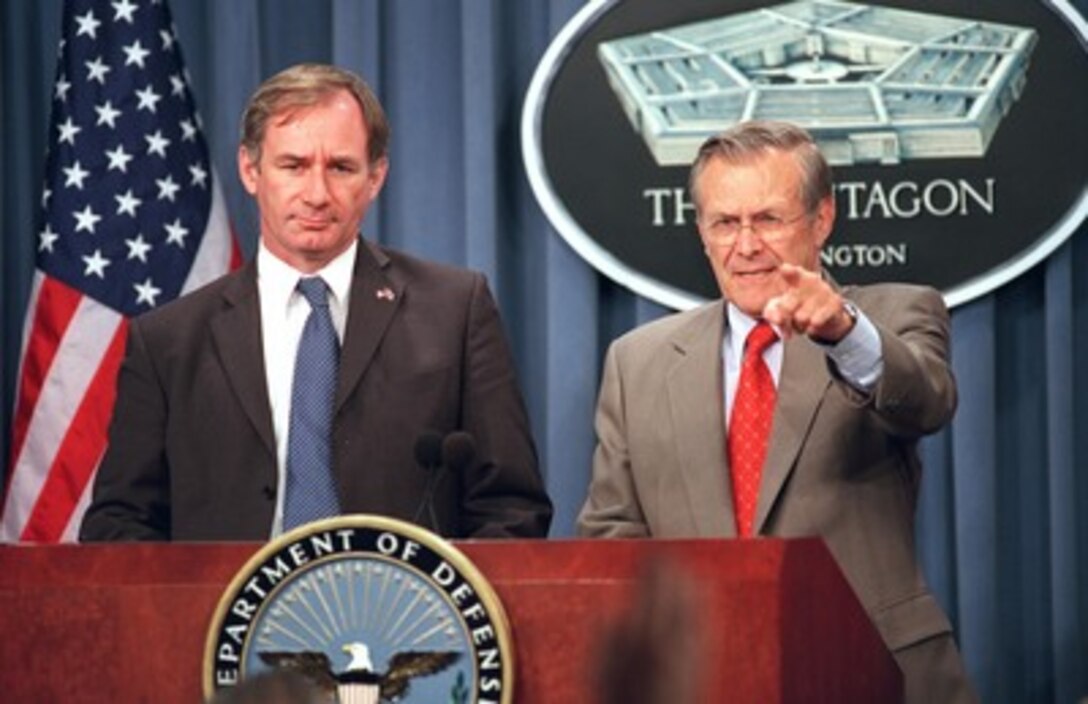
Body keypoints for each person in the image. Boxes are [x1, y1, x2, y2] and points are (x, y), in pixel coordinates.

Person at [578, 121, 975, 702]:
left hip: (869, 673)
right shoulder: (637, 362)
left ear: (822, 220)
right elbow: (611, 538)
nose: (745, 246)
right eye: (724, 223)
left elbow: (927, 400)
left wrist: (843, 331)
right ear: (701, 232)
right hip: (702, 680)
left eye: (767, 219)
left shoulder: (892, 313)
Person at [80, 63, 551, 541]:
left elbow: (511, 508)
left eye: (341, 167)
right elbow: (119, 524)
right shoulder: (168, 340)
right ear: (250, 169)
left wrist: (432, 607)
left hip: (403, 611)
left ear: (376, 176)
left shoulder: (454, 311)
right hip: (224, 612)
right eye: (294, 165)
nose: (317, 194)